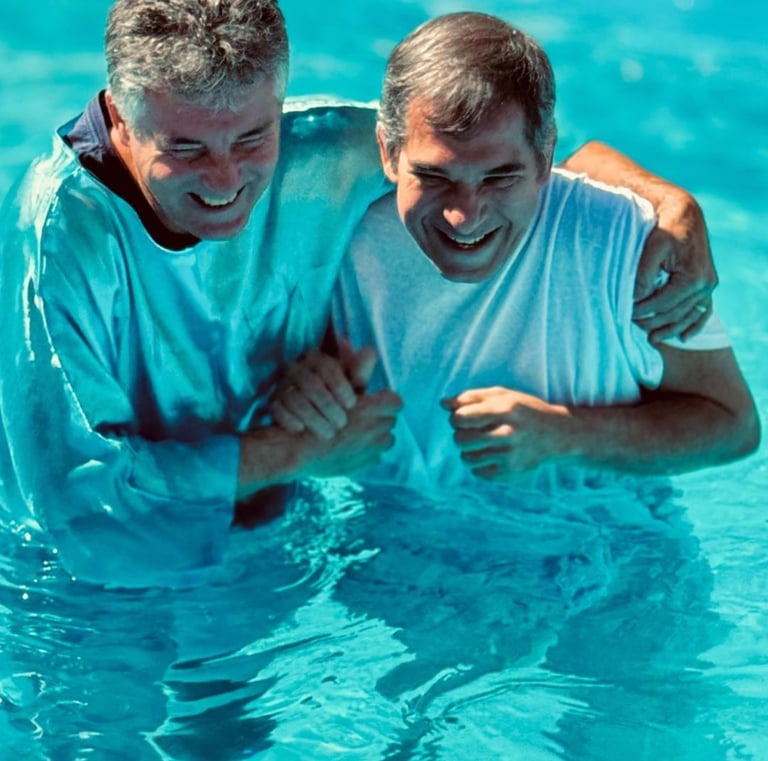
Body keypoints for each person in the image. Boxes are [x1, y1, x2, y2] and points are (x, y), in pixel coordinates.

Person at [0, 0, 719, 588]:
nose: (224, 180)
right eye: (185, 148)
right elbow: (77, 492)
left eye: (251, 137)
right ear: (120, 119)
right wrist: (293, 450)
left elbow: (520, 156)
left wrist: (668, 202)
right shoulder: (55, 234)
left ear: (278, 104)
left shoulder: (326, 148)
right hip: (69, 584)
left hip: (267, 540)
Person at [272, 12, 759, 492]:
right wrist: (304, 395)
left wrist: (567, 436)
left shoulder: (630, 245)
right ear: (388, 152)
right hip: (391, 531)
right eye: (435, 177)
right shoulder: (336, 234)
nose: (464, 217)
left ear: (544, 157)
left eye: (499, 178)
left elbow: (733, 425)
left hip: (607, 534)